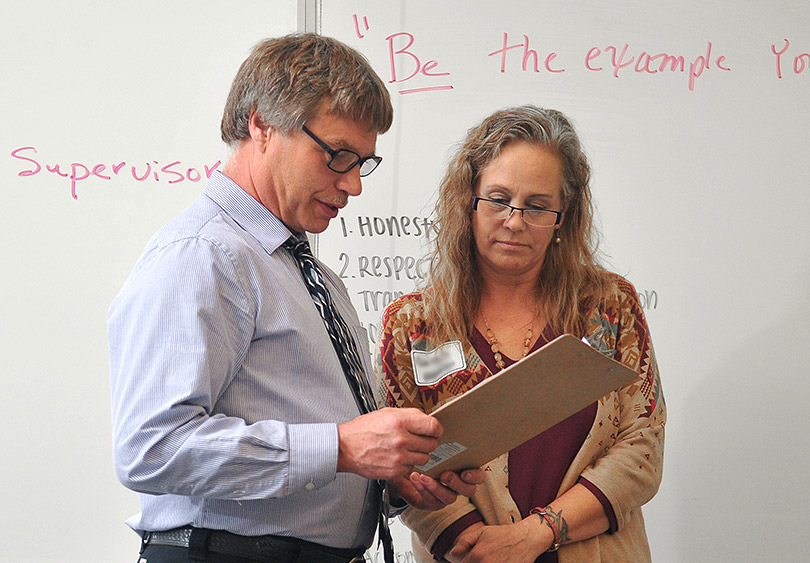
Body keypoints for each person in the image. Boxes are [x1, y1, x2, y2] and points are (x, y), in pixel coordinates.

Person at [109, 33, 482, 563]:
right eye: (338, 155)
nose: (354, 185)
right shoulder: (201, 256)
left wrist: (397, 476)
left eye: (363, 163)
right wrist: (341, 448)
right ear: (261, 124)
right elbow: (151, 450)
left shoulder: (316, 277)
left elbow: (334, 448)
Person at [376, 105, 665, 562]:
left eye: (536, 206)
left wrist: (535, 535)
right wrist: (475, 545)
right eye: (497, 199)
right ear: (467, 203)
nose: (514, 221)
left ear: (562, 216)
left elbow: (642, 447)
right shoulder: (415, 326)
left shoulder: (609, 308)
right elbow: (403, 465)